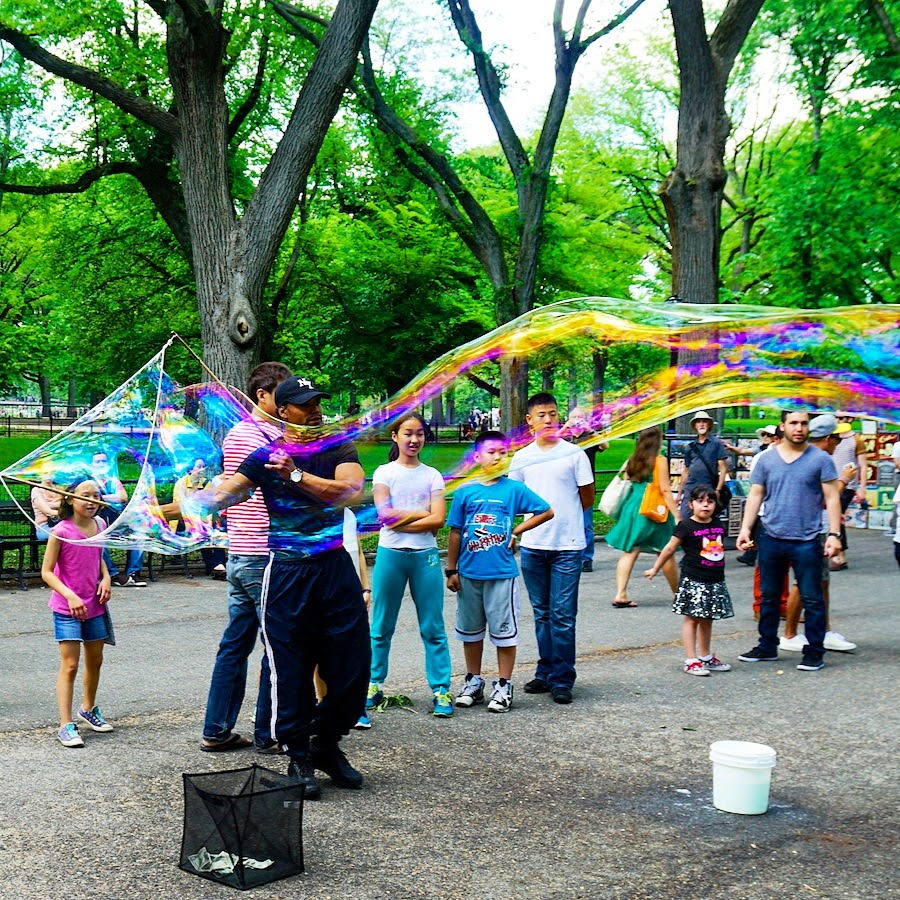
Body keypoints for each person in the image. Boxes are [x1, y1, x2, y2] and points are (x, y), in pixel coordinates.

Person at [163, 374, 370, 799]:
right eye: (304, 404)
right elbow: (227, 495)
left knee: (352, 670)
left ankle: (325, 743)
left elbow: (349, 493)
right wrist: (190, 499)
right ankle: (299, 755)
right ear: (282, 410)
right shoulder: (263, 455)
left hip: (333, 566)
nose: (315, 409)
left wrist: (295, 477)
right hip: (287, 573)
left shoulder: (336, 448)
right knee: (290, 667)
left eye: (317, 402)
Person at [199, 362, 290, 754]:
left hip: (245, 553)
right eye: (282, 396)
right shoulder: (247, 435)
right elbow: (244, 490)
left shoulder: (270, 432)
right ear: (262, 396)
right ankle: (269, 732)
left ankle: (217, 729)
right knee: (277, 645)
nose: (288, 404)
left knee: (236, 643)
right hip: (259, 553)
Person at [445, 431, 554, 713]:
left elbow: (546, 511)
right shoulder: (465, 491)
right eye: (491, 452)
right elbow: (455, 531)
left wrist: (516, 530)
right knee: (471, 632)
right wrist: (451, 569)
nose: (497, 457)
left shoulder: (513, 489)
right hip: (468, 574)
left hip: (502, 575)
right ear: (477, 457)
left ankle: (504, 685)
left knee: (504, 633)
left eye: (503, 453)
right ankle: (473, 681)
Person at [736, 410, 842, 672]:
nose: (799, 428)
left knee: (813, 597)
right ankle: (767, 646)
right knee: (769, 597)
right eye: (793, 423)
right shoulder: (766, 459)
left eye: (804, 424)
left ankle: (814, 651)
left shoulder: (820, 459)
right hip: (771, 535)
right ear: (782, 426)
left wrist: (834, 534)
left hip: (807, 539)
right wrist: (745, 529)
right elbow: (756, 495)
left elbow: (831, 498)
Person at [508, 392, 595, 704]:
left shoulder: (574, 454)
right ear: (529, 421)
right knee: (542, 613)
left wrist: (567, 517)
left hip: (568, 545)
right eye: (541, 415)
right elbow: (514, 499)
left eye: (553, 414)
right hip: (533, 545)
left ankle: (562, 677)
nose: (548, 420)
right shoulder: (522, 458)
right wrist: (516, 531)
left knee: (562, 614)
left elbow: (587, 498)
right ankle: (545, 671)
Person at [366, 413, 452, 717]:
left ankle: (441, 689)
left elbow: (439, 519)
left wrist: (402, 519)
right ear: (395, 436)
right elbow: (384, 517)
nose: (414, 440)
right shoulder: (384, 473)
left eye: (419, 434)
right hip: (390, 554)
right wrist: (420, 515)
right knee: (380, 626)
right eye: (407, 434)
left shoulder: (432, 475)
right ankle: (373, 685)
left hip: (425, 557)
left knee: (433, 626)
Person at [41, 479, 114, 747]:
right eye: (85, 495)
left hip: (95, 603)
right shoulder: (61, 530)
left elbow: (100, 559)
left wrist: (105, 578)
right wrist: (69, 595)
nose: (92, 500)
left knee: (95, 660)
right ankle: (65, 724)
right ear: (69, 499)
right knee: (70, 665)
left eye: (96, 495)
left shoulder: (101, 525)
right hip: (66, 606)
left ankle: (88, 708)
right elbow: (46, 572)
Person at [778, 414, 857, 653]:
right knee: (804, 583)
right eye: (836, 439)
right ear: (826, 439)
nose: (838, 444)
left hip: (817, 529)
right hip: (811, 531)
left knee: (821, 582)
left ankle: (823, 630)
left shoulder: (813, 457)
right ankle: (790, 634)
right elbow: (823, 498)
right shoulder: (816, 460)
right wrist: (845, 479)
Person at [645, 484, 733, 675]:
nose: (705, 505)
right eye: (700, 501)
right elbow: (669, 548)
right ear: (691, 504)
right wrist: (655, 568)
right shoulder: (686, 526)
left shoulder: (718, 524)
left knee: (708, 618)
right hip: (694, 580)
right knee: (692, 618)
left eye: (710, 501)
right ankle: (691, 659)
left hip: (715, 580)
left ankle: (706, 656)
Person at [605, 426, 680, 608]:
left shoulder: (634, 459)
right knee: (665, 550)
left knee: (631, 550)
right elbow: (664, 489)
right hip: (652, 508)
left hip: (632, 506)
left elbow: (629, 479)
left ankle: (620, 593)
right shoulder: (659, 460)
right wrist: (677, 515)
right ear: (658, 440)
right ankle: (678, 595)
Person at [562, 407, 608, 573]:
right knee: (567, 522)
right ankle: (570, 555)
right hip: (566, 486)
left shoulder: (589, 436)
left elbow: (605, 445)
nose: (577, 420)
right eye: (574, 417)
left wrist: (590, 430)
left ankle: (586, 558)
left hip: (586, 485)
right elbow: (550, 441)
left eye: (580, 417)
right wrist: (565, 427)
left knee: (586, 523)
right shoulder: (564, 437)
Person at [91, 451, 146, 587]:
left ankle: (133, 573)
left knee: (139, 537)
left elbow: (122, 497)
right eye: (98, 461)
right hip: (97, 525)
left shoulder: (113, 481)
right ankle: (112, 574)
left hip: (116, 524)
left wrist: (102, 498)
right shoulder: (89, 482)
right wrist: (110, 497)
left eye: (104, 461)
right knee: (98, 540)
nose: (101, 464)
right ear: (92, 465)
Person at [171, 458, 227, 580]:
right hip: (183, 521)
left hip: (203, 520)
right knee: (203, 530)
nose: (202, 470)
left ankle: (216, 566)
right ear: (190, 469)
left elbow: (210, 504)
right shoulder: (181, 484)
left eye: (203, 467)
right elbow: (180, 506)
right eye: (199, 467)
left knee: (217, 532)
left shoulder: (207, 483)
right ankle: (216, 566)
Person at [734, 425, 780, 566]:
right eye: (764, 434)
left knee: (758, 528)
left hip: (770, 504)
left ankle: (751, 554)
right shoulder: (761, 454)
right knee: (756, 526)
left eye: (768, 435)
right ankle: (751, 553)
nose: (765, 437)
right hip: (761, 500)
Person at [829, 413, 868, 571]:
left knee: (836, 513)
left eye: (842, 418)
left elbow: (863, 465)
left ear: (850, 420)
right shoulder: (830, 437)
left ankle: (840, 554)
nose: (838, 421)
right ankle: (836, 550)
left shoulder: (856, 440)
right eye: (836, 418)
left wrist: (862, 487)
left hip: (848, 484)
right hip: (830, 481)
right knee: (834, 515)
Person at [675, 410, 728, 519]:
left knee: (706, 519)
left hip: (708, 487)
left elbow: (723, 469)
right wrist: (680, 493)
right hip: (690, 487)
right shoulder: (690, 446)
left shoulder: (716, 443)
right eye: (699, 422)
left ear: (709, 425)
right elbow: (686, 470)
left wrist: (717, 490)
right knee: (685, 518)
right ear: (695, 426)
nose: (702, 424)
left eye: (704, 421)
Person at [31, 476, 61, 541]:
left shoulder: (60, 489)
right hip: (44, 527)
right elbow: (48, 512)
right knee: (66, 533)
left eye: (51, 472)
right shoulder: (36, 490)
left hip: (62, 524)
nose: (48, 475)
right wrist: (68, 513)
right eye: (45, 473)